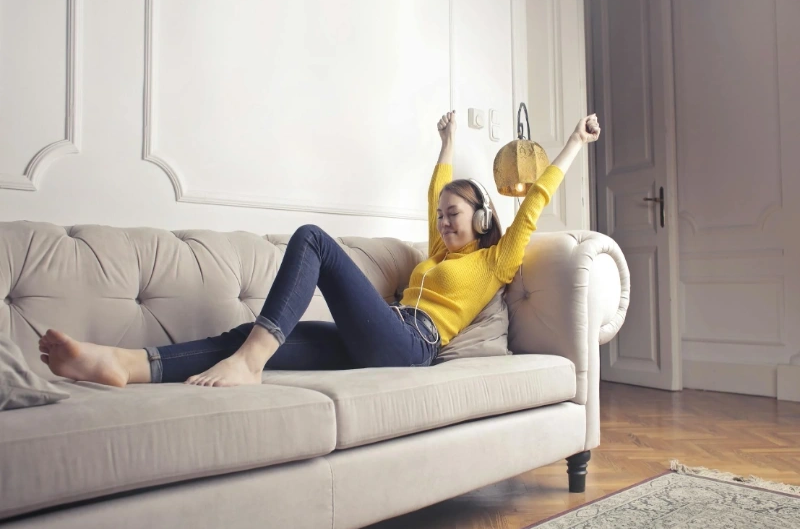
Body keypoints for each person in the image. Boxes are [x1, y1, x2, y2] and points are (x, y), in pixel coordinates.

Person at [39, 111, 600, 387]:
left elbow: (534, 205)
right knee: (249, 335)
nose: (443, 223)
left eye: (453, 216)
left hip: (411, 344)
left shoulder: (493, 261)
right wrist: (447, 143)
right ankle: (124, 363)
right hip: (378, 335)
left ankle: (249, 364)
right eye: (440, 217)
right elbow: (436, 189)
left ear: (480, 219)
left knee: (312, 240)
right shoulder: (438, 255)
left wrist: (575, 142)